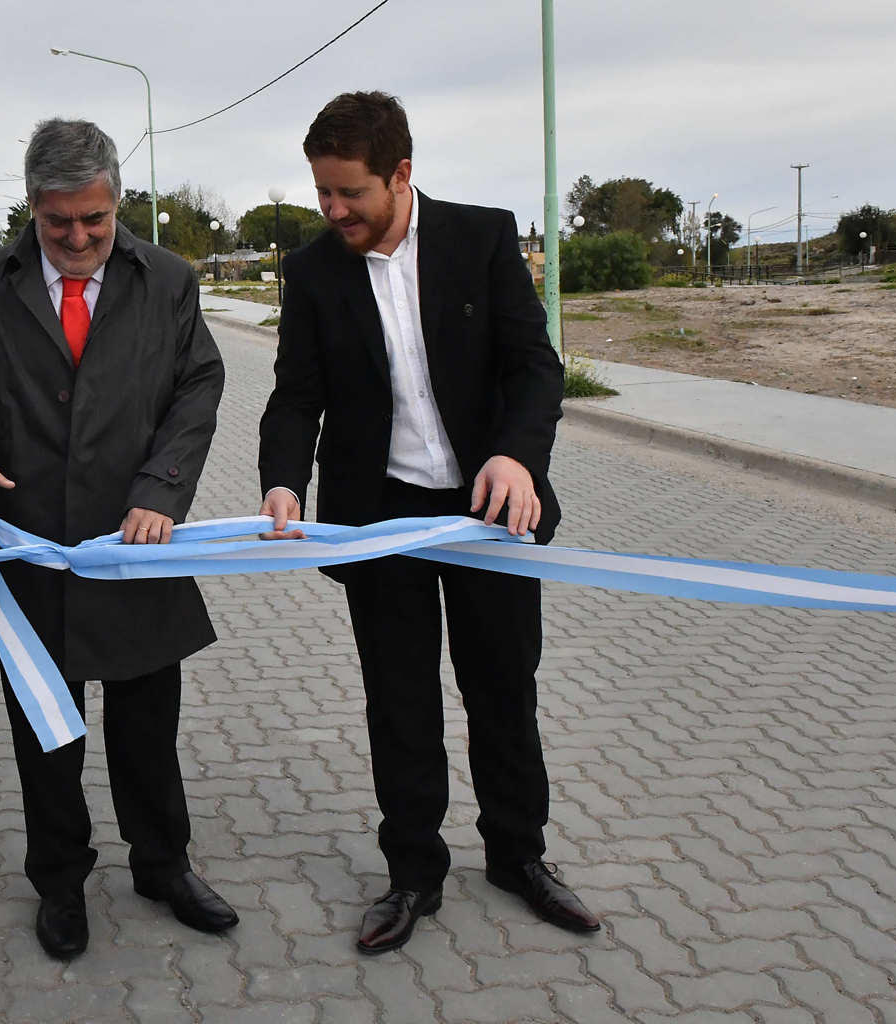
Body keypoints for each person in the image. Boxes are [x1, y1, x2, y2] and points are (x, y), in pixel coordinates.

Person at [256, 91, 599, 955]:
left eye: (351, 194)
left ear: (401, 175)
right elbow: (296, 397)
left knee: (502, 691)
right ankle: (413, 871)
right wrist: (284, 485)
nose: (333, 212)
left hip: (488, 510)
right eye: (322, 195)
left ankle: (520, 858)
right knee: (399, 702)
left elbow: (534, 367)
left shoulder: (481, 239)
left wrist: (517, 455)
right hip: (382, 517)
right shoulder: (314, 270)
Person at [0, 118, 233, 961]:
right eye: (61, 224)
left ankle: (163, 865)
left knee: (146, 723)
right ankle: (59, 881)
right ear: (32, 209)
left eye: (96, 219)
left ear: (117, 201)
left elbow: (199, 384)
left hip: (137, 542)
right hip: (31, 550)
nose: (81, 238)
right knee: (46, 734)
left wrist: (163, 489)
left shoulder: (166, 280)